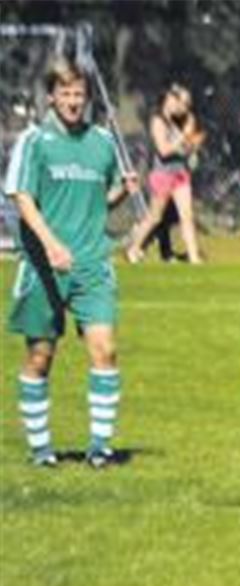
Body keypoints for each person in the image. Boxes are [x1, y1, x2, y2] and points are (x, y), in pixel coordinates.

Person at [5, 57, 140, 468]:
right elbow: (20, 197)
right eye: (64, 93)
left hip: (92, 264)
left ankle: (99, 448)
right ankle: (41, 451)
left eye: (79, 93)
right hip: (44, 267)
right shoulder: (34, 141)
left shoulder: (101, 142)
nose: (72, 100)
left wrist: (122, 193)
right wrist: (50, 245)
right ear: (51, 96)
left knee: (105, 350)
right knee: (40, 358)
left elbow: (97, 202)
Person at [125, 83, 205, 264]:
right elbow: (163, 150)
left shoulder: (181, 122)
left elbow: (185, 148)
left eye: (184, 103)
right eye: (177, 101)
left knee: (187, 215)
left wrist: (192, 143)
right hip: (162, 175)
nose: (181, 106)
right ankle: (134, 248)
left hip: (181, 174)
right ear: (167, 100)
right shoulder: (157, 121)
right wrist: (183, 138)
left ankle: (194, 257)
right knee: (155, 217)